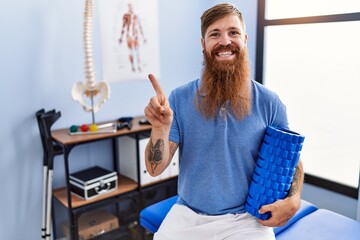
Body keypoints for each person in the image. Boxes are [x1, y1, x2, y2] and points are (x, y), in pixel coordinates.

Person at [144, 3, 304, 240]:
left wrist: (295, 198)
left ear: (245, 39)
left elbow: (292, 160)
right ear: (203, 44)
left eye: (233, 32)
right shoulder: (179, 98)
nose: (225, 41)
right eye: (215, 34)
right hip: (188, 215)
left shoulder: (269, 102)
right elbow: (154, 169)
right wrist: (159, 129)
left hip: (246, 220)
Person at [119, 3, 146, 72]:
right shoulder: (126, 16)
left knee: (137, 51)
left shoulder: (136, 16)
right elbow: (123, 26)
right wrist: (121, 37)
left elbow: (140, 26)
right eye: (130, 6)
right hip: (129, 36)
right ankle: (133, 66)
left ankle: (139, 66)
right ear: (128, 7)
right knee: (130, 51)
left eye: (132, 6)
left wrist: (143, 37)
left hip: (135, 35)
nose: (131, 8)